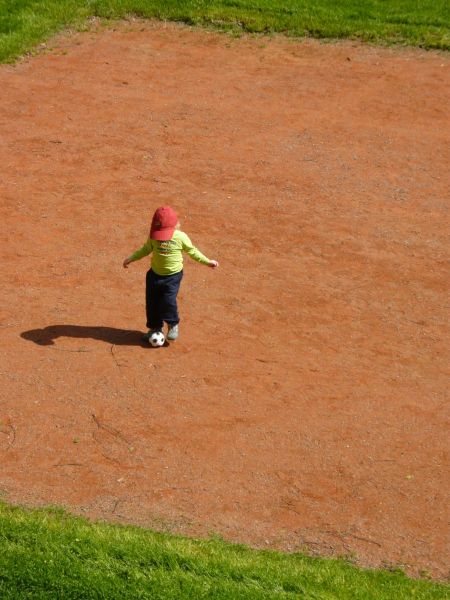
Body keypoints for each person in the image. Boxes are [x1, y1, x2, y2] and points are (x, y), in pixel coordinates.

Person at [123, 206, 218, 341]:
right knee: (152, 303)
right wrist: (131, 258)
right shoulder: (154, 236)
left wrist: (208, 262)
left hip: (172, 277)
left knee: (168, 301)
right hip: (154, 275)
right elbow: (145, 250)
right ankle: (155, 328)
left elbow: (193, 251)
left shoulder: (181, 237)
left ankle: (173, 324)